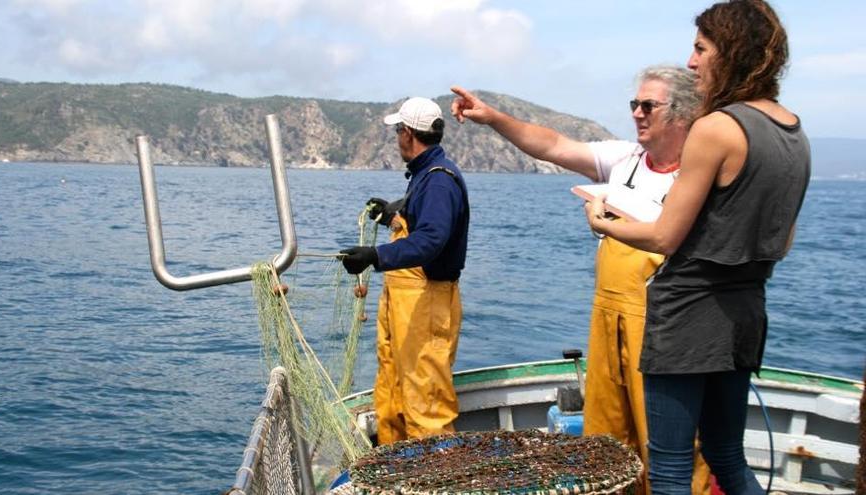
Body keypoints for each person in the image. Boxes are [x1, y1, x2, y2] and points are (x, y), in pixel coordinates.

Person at [451, 66, 711, 495]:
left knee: (670, 442)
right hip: (607, 317)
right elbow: (552, 145)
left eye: (648, 105)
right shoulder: (624, 160)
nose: (637, 114)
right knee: (607, 438)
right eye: (634, 104)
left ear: (681, 114)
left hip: (665, 324)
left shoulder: (699, 176)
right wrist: (494, 117)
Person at [584, 1, 810, 493]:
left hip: (687, 319)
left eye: (701, 48)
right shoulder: (794, 131)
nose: (692, 61)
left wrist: (604, 221)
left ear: (730, 52)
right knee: (727, 457)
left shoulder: (715, 128)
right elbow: (782, 241)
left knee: (668, 472)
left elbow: (665, 235)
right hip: (744, 318)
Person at [339, 97, 470, 445]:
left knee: (425, 401)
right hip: (405, 303)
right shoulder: (425, 176)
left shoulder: (439, 181)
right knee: (394, 389)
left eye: (398, 130)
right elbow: (420, 224)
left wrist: (374, 256)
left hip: (426, 304)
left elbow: (431, 240)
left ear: (408, 133)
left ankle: (436, 479)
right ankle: (398, 466)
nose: (397, 138)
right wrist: (394, 216)